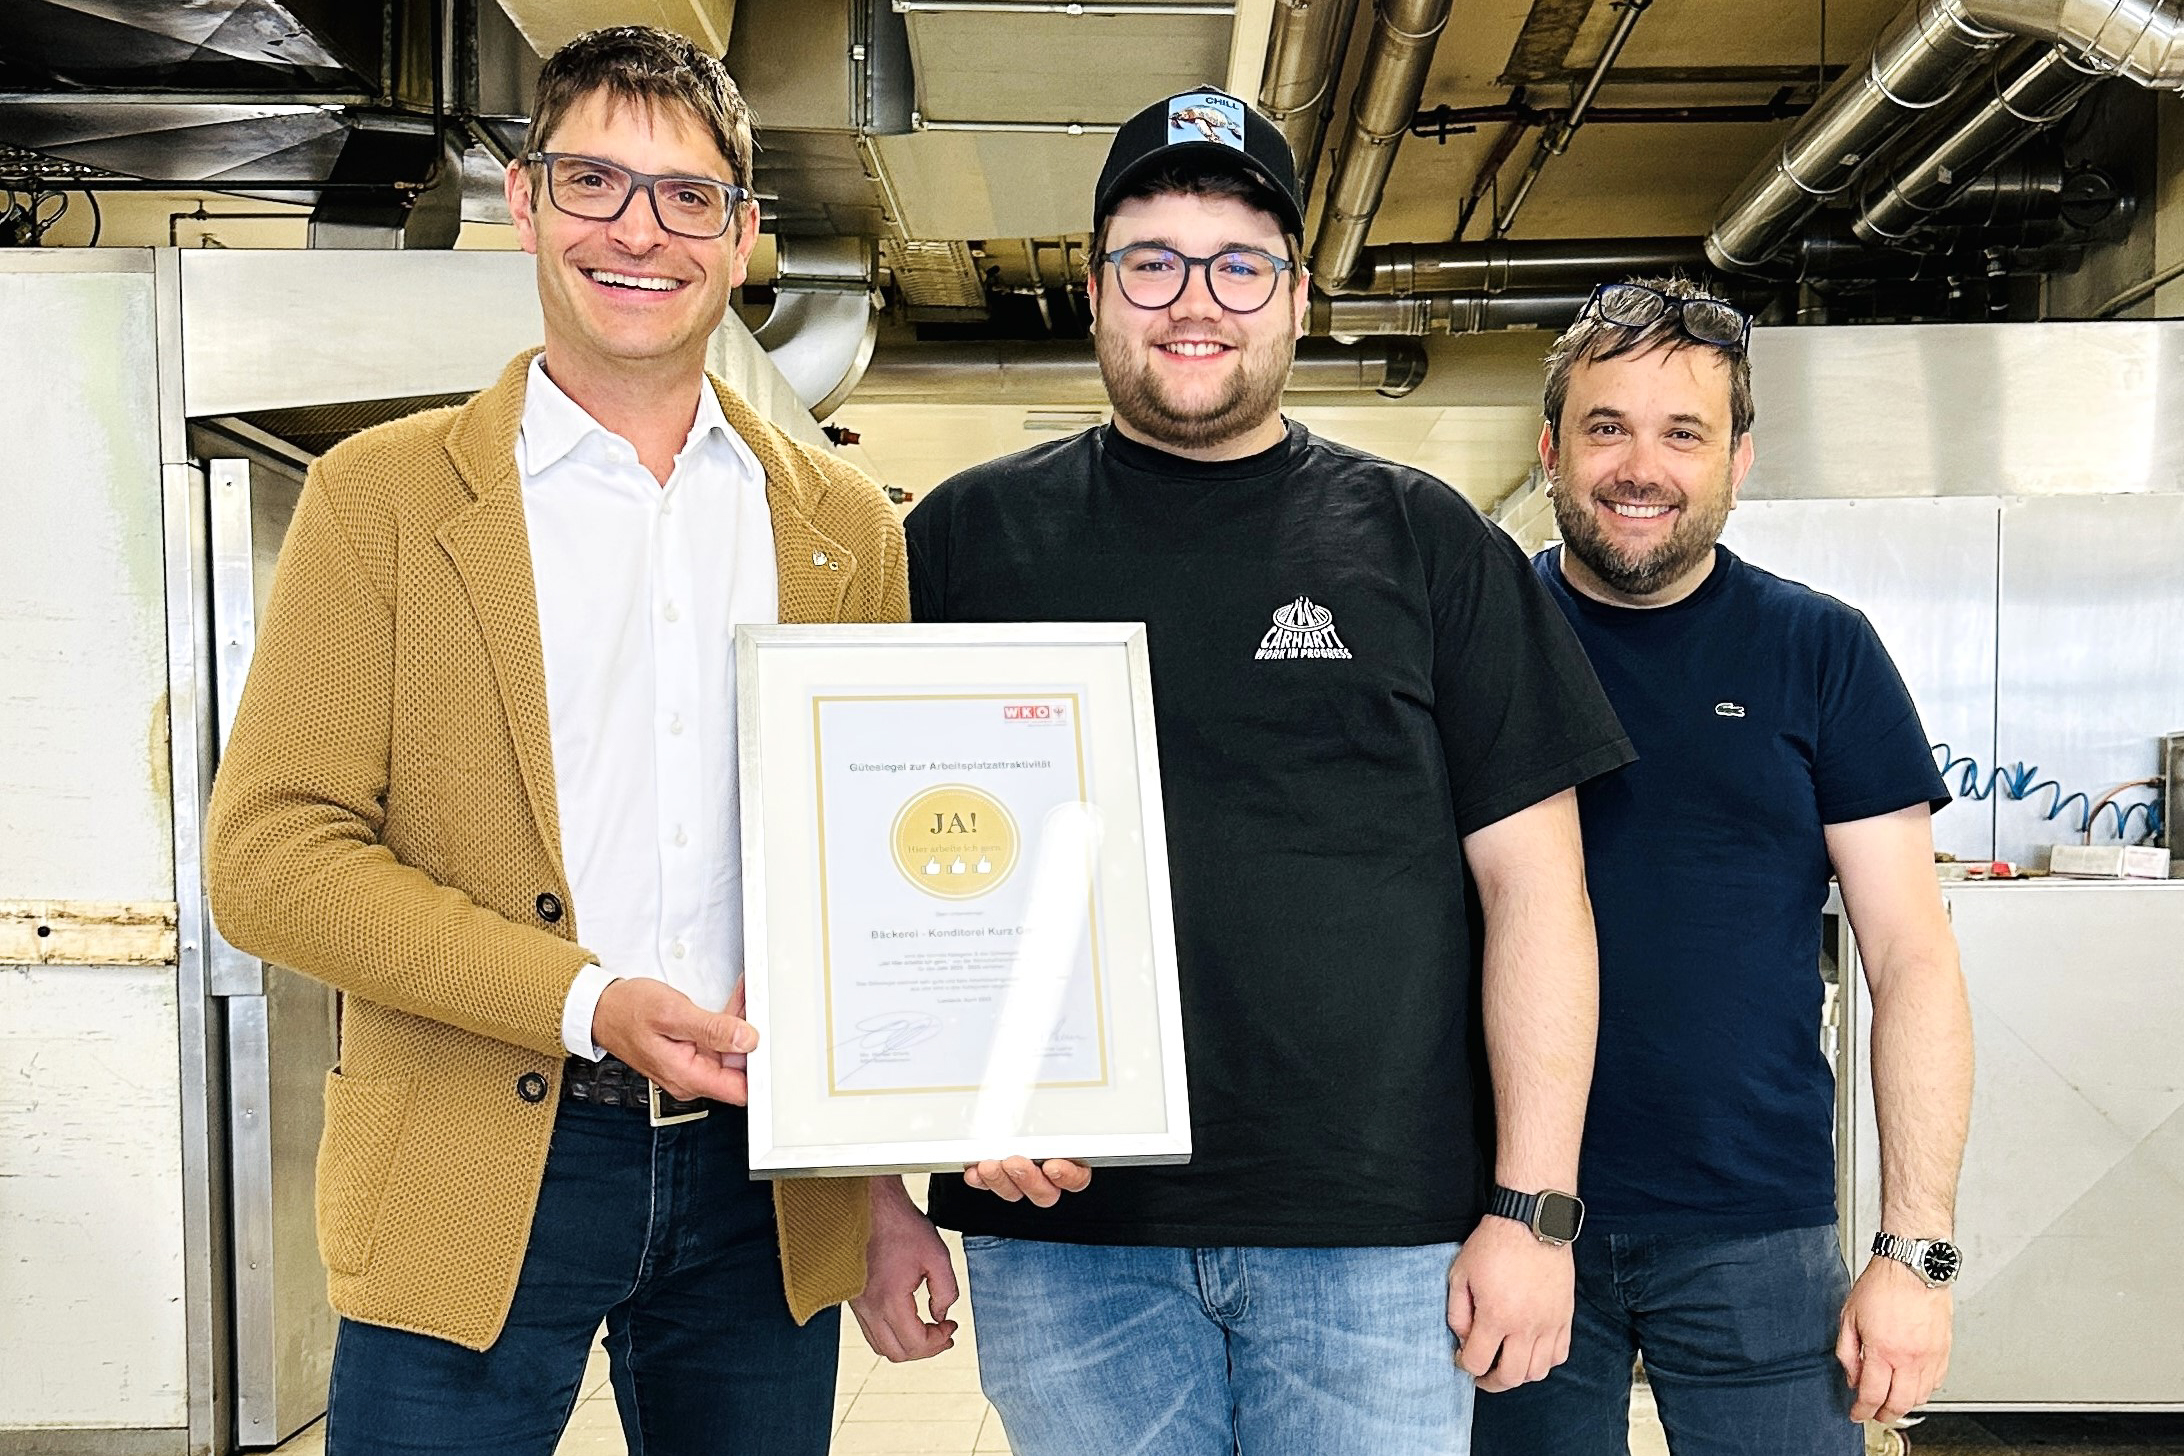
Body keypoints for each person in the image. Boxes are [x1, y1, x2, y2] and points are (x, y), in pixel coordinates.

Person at [205, 27, 958, 1454]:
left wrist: (871, 1188)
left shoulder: (841, 529)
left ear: (742, 238)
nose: (638, 231)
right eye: (594, 181)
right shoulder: (384, 498)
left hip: (760, 1186)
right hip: (472, 1163)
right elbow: (270, 861)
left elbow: (868, 875)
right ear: (523, 204)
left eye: (688, 198)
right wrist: (587, 999)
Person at [895, 87, 1636, 1456]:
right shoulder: (961, 544)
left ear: (1298, 297)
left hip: (1373, 1244)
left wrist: (1534, 1211)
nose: (1197, 300)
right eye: (1154, 261)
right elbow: (880, 876)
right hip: (1065, 1235)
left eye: (1240, 264)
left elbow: (1542, 895)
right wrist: (888, 1171)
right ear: (1099, 290)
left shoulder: (1428, 544)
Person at [1471, 277, 1975, 1456]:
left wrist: (1916, 1250)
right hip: (1509, 1216)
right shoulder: (1478, 641)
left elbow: (1911, 956)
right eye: (1607, 427)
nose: (1640, 466)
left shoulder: (1820, 650)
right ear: (1550, 448)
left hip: (1756, 1227)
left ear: (1739, 459)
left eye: (1683, 432)